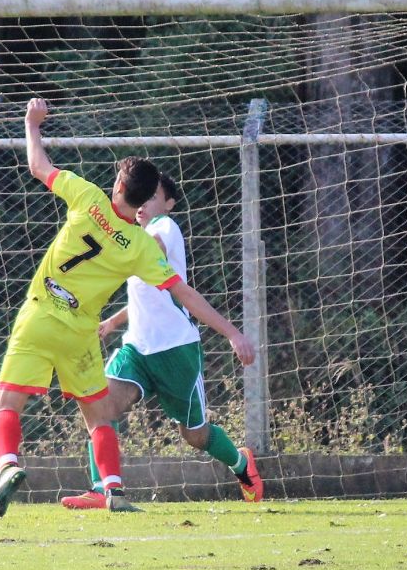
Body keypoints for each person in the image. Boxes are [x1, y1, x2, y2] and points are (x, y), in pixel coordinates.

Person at [0, 99, 254, 518]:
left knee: (7, 405)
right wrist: (232, 332)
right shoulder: (140, 246)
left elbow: (38, 165)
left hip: (40, 317)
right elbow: (184, 292)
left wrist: (31, 125)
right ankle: (111, 490)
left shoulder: (88, 198)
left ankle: (9, 465)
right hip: (83, 333)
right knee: (99, 415)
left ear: (117, 188)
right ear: (145, 200)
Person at [61, 171, 264, 509]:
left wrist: (232, 333)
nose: (144, 204)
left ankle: (241, 463)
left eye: (153, 197)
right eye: (142, 197)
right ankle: (101, 488)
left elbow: (160, 270)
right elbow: (145, 293)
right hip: (137, 349)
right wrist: (112, 321)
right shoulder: (136, 237)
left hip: (176, 351)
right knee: (99, 404)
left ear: (168, 203)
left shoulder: (164, 229)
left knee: (195, 436)